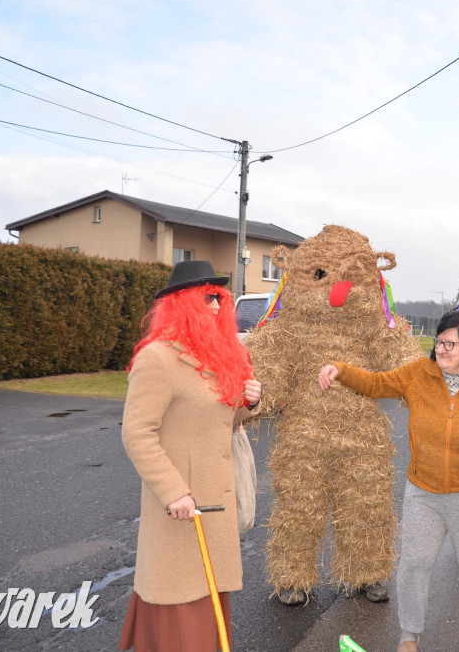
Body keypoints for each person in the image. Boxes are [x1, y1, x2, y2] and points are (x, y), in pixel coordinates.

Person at [318, 312, 459, 652]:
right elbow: (376, 384)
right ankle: (409, 636)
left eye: (451, 343)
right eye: (439, 341)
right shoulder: (419, 373)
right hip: (424, 493)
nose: (441, 349)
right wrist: (340, 370)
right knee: (414, 566)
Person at [119, 261, 262, 652]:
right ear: (182, 303)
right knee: (179, 602)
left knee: (210, 601)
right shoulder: (158, 358)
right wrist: (174, 492)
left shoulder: (216, 356)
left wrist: (248, 403)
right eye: (208, 297)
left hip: (213, 505)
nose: (218, 306)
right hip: (181, 508)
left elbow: (222, 422)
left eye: (220, 298)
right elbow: (136, 433)